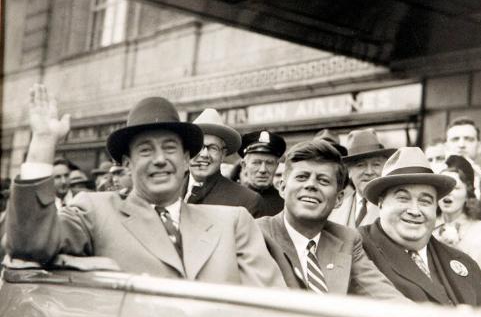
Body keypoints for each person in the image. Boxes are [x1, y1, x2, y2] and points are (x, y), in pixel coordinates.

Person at [5, 84, 285, 288]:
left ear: (187, 159)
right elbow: (30, 245)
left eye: (170, 148)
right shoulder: (94, 211)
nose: (160, 159)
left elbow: (273, 309)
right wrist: (42, 142)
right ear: (127, 163)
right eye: (146, 151)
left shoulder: (233, 222)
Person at [257, 139, 407, 300]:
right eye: (301, 177)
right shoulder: (256, 234)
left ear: (339, 198)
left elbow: (384, 294)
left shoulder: (347, 239)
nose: (311, 185)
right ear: (282, 187)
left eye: (323, 181)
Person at [360, 147, 481, 305]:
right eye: (403, 198)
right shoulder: (356, 249)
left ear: (435, 207)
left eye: (425, 201)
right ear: (381, 203)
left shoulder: (463, 261)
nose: (414, 210)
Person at [433, 155, 481, 290]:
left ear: (467, 194)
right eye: (443, 187)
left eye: (456, 188)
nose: (448, 193)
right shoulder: (426, 230)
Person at [185, 108, 265, 218]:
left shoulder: (246, 201)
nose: (204, 154)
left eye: (213, 148)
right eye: (198, 146)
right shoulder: (168, 189)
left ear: (223, 154)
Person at [329, 128, 396, 228]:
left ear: (384, 168)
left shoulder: (394, 206)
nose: (369, 172)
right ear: (349, 172)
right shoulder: (335, 210)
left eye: (376, 164)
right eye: (361, 165)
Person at [239, 130, 286, 216]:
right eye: (256, 162)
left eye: (269, 163)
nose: (263, 170)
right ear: (244, 165)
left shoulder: (286, 204)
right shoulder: (232, 199)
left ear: (277, 166)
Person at [445, 117, 481, 198]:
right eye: (455, 139)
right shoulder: (435, 177)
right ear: (446, 146)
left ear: (479, 147)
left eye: (469, 139)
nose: (461, 145)